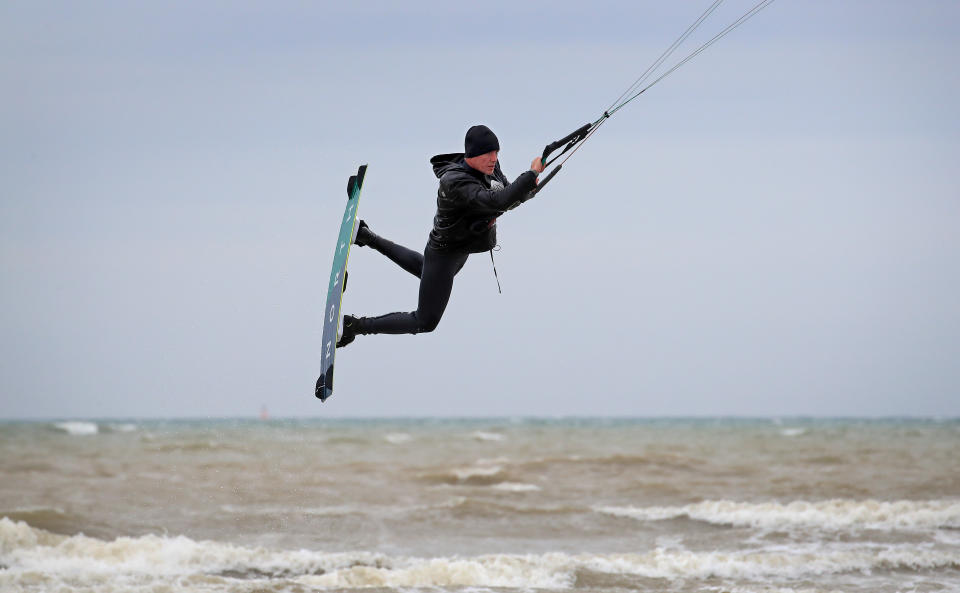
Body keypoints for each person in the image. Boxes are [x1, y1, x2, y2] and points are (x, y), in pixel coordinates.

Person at [337, 124, 546, 347]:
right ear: (472, 154)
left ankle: (365, 236)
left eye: (496, 152)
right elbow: (496, 201)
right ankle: (354, 326)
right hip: (445, 252)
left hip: (460, 248)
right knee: (425, 321)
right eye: (488, 153)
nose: (494, 158)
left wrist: (528, 189)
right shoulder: (454, 181)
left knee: (425, 270)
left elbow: (506, 194)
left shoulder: (490, 169)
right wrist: (530, 174)